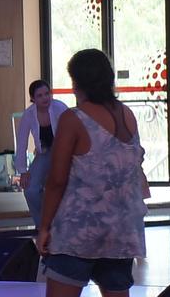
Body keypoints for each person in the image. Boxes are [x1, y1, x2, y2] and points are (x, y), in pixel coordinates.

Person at [37, 49, 147, 297]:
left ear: (79, 83)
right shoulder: (127, 114)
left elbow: (56, 180)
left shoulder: (73, 119)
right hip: (121, 232)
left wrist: (44, 226)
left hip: (79, 231)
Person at [14, 79, 69, 228]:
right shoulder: (28, 115)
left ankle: (65, 225)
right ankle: (43, 226)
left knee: (68, 186)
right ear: (33, 99)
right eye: (40, 95)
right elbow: (21, 144)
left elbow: (73, 132)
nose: (45, 98)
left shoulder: (60, 108)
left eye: (47, 94)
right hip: (43, 154)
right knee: (30, 190)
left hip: (65, 153)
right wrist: (23, 171)